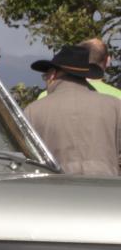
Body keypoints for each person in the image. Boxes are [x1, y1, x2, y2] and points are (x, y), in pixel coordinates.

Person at [23, 44, 121, 177]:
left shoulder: (33, 110)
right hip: (105, 190)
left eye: (45, 76)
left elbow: (27, 158)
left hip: (55, 190)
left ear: (52, 74)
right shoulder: (115, 105)